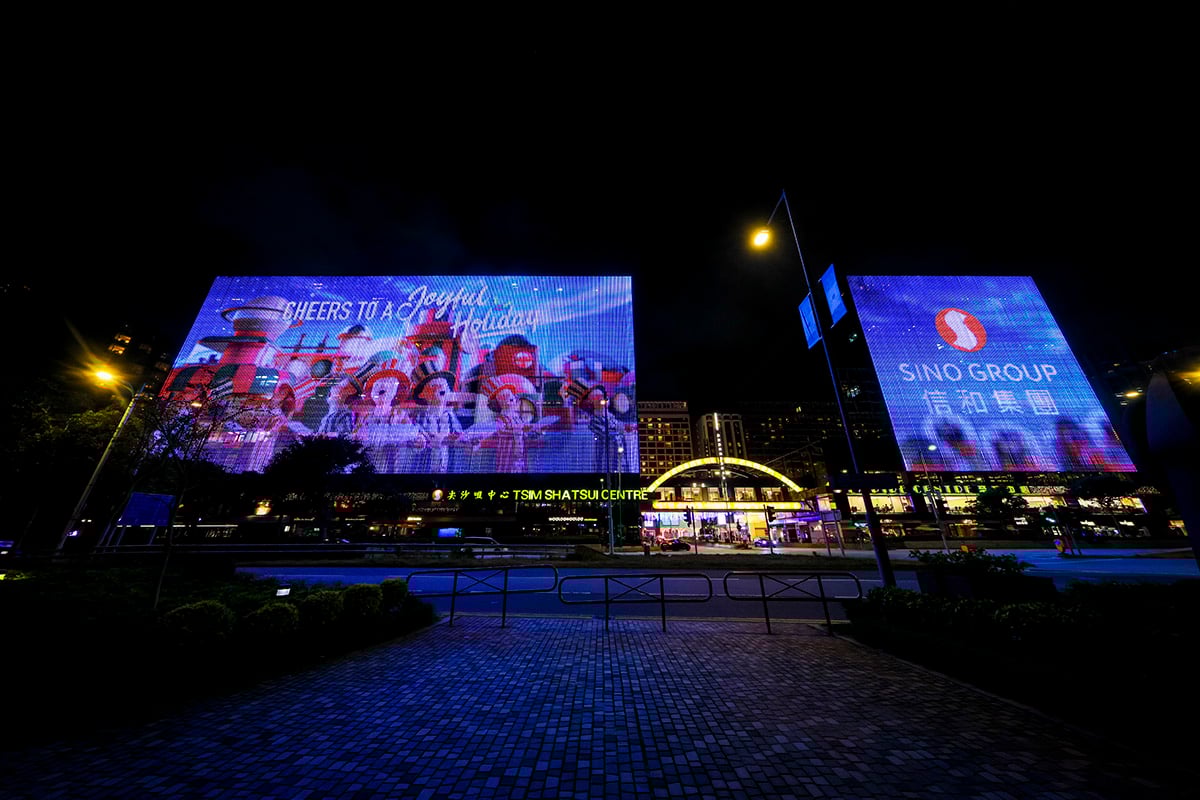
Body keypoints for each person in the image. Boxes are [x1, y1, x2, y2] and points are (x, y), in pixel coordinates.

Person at [409, 360, 462, 474]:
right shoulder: (421, 417)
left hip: (448, 469)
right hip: (425, 469)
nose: (441, 386)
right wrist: (421, 440)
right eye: (433, 385)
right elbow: (418, 439)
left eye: (444, 383)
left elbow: (458, 435)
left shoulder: (450, 416)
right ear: (422, 395)